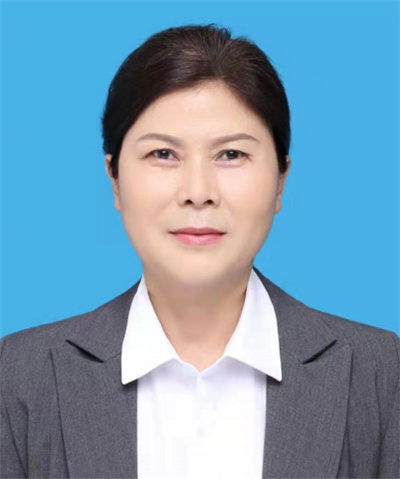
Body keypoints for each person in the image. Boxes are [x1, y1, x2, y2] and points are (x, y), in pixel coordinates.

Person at [0, 23, 399, 479]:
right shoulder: (19, 375)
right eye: (163, 154)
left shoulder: (381, 373)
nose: (198, 192)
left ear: (280, 180)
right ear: (115, 179)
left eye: (231, 155)